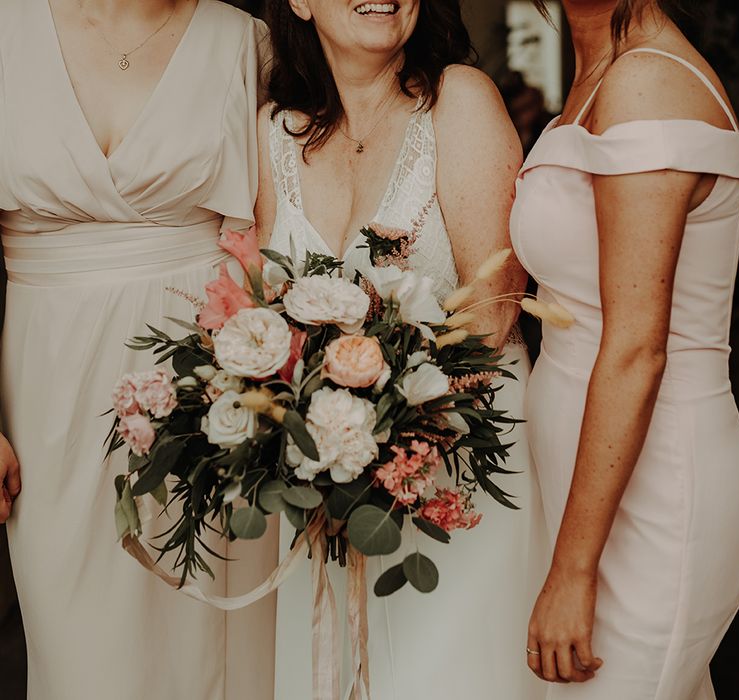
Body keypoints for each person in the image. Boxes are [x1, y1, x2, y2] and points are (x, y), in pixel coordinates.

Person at [254, 1, 549, 697]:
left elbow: (494, 311)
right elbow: (260, 318)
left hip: (459, 485)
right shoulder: (271, 134)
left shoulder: (457, 101)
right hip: (327, 498)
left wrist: (378, 421)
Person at [0, 1, 277, 698]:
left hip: (209, 381)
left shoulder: (243, 41)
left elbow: (277, 232)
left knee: (208, 633)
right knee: (78, 645)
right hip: (44, 382)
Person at [511, 0, 739, 697]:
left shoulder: (648, 83)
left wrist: (572, 570)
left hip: (660, 494)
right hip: (592, 491)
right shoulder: (601, 66)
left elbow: (635, 349)